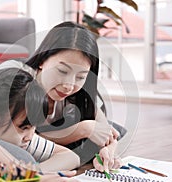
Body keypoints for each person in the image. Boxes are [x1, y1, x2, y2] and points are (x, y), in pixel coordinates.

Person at [21, 21, 124, 173]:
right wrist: (82, 130)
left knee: (116, 129)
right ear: (42, 60)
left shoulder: (80, 92)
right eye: (62, 71)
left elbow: (107, 132)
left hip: (56, 135)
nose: (69, 86)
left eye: (81, 77)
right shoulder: (21, 87)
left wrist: (107, 151)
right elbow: (25, 140)